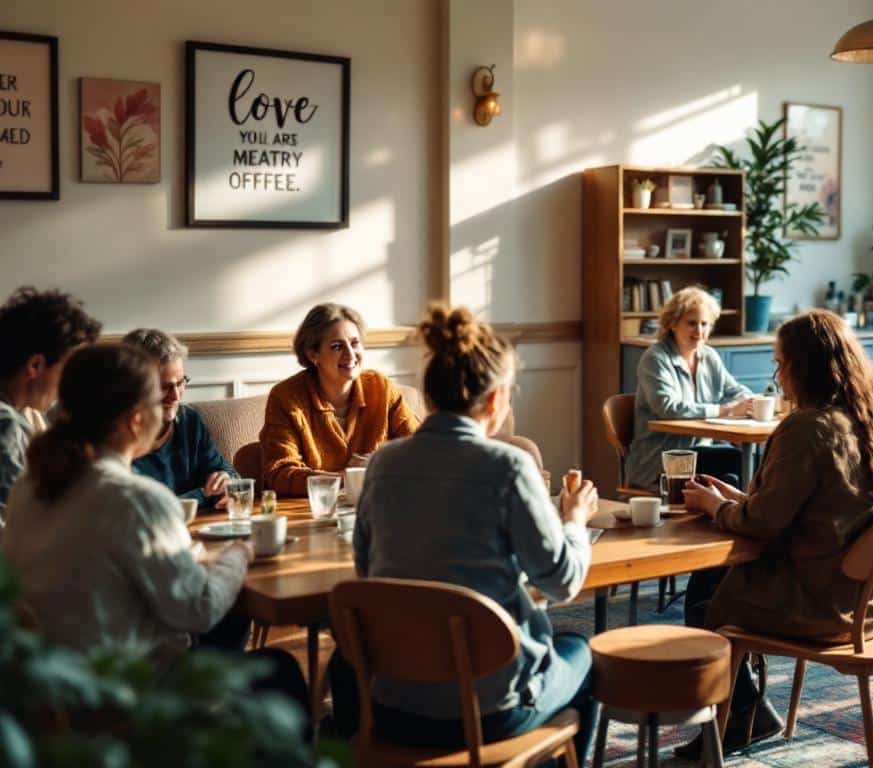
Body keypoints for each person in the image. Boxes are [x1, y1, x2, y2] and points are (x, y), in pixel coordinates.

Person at [329, 304, 600, 760]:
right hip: (488, 709)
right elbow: (561, 581)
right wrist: (573, 522)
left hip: (394, 705)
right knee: (580, 649)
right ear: (494, 400)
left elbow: (368, 572)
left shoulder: (383, 464)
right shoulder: (508, 467)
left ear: (429, 397)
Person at [676, 310, 873, 757]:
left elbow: (764, 524)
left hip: (826, 605)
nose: (777, 376)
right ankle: (748, 712)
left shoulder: (807, 428)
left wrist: (716, 506)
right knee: (710, 585)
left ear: (804, 366)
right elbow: (821, 509)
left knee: (704, 606)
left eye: (780, 364)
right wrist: (739, 498)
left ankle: (738, 720)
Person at [0, 344, 306, 715]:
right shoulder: (137, 499)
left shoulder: (28, 488)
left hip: (48, 694)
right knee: (281, 671)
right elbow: (200, 608)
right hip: (129, 699)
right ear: (136, 420)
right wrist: (242, 550)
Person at [260, 303, 419, 495]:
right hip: (314, 514)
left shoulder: (381, 388)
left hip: (377, 509)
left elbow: (422, 449)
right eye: (337, 346)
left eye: (355, 343)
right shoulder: (286, 397)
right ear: (313, 354)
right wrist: (351, 478)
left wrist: (378, 464)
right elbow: (280, 473)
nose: (350, 355)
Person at [626, 287, 752, 490]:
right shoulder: (655, 358)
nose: (699, 331)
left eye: (705, 324)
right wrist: (725, 410)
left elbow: (735, 391)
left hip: (699, 454)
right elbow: (669, 407)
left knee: (741, 471)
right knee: (737, 461)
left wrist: (749, 403)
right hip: (660, 462)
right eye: (692, 323)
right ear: (673, 323)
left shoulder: (709, 356)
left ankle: (738, 518)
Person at [0, 287, 102, 514]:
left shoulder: (25, 417)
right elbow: (25, 519)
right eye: (67, 370)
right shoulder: (6, 425)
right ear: (35, 365)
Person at [124, 329, 238, 509]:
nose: (176, 397)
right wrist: (203, 494)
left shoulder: (188, 421)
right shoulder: (117, 436)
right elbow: (145, 509)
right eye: (165, 387)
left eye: (180, 383)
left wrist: (225, 480)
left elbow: (228, 474)